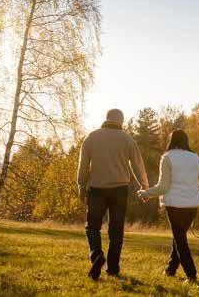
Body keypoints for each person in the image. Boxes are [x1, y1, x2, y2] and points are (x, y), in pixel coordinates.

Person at [77, 109, 149, 280]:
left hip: (97, 190)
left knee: (92, 227)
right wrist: (145, 187)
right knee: (116, 231)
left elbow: (83, 165)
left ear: (106, 118)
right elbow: (138, 165)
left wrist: (81, 186)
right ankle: (113, 269)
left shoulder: (92, 137)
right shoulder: (127, 139)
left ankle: (96, 255)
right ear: (121, 121)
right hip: (119, 190)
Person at [137, 129, 199, 284]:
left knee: (180, 240)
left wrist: (146, 193)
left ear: (171, 141)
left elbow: (163, 187)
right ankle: (170, 269)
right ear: (186, 141)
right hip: (191, 207)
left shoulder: (167, 157)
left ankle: (191, 275)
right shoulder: (195, 158)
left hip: (174, 206)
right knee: (179, 238)